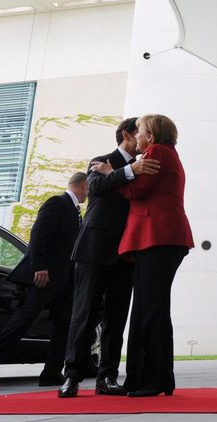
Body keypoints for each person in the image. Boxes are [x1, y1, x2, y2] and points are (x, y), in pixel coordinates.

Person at [58, 117, 160, 398]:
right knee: (84, 314)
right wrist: (129, 170)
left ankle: (107, 378)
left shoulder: (145, 165)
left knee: (116, 318)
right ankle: (72, 376)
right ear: (127, 134)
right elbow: (96, 188)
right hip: (93, 249)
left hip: (126, 253)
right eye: (140, 131)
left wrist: (124, 171)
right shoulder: (100, 160)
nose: (144, 136)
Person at [0, 173, 86, 390]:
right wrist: (39, 266)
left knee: (65, 328)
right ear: (83, 185)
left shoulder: (76, 211)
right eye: (89, 189)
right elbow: (38, 236)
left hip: (64, 283)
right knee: (20, 324)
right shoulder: (57, 203)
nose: (88, 194)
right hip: (46, 278)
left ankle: (51, 372)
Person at [116, 114, 194, 396]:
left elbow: (136, 190)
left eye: (140, 131)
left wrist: (108, 175)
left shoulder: (157, 152)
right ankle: (154, 377)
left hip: (158, 238)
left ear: (151, 136)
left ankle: (153, 379)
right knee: (153, 310)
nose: (136, 135)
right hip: (159, 238)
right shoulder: (163, 152)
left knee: (149, 310)